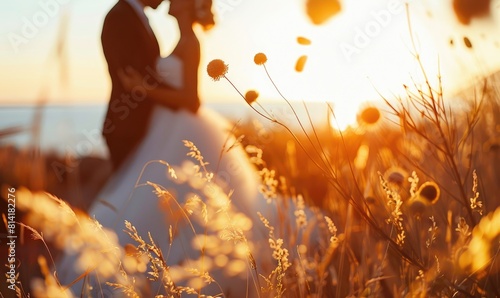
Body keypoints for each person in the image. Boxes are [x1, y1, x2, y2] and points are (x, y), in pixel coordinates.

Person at [56, 0, 271, 296]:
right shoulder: (134, 22)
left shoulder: (189, 42)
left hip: (170, 129)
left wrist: (142, 89)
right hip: (147, 129)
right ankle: (136, 266)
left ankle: (152, 270)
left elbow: (190, 99)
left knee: (158, 198)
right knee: (146, 197)